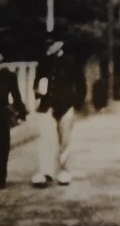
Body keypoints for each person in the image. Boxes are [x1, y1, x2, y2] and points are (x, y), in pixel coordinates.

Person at [31, 37, 86, 187]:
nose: (49, 46)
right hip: (47, 106)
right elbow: (37, 82)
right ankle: (45, 172)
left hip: (66, 106)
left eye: (52, 43)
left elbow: (81, 85)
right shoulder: (44, 62)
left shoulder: (71, 61)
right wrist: (38, 93)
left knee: (65, 141)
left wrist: (75, 104)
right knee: (45, 139)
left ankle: (64, 171)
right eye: (47, 44)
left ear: (60, 44)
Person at [0, 52, 25, 189]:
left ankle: (0, 179)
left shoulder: (9, 75)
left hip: (2, 115)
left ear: (1, 60)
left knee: (2, 147)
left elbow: (16, 95)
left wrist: (21, 113)